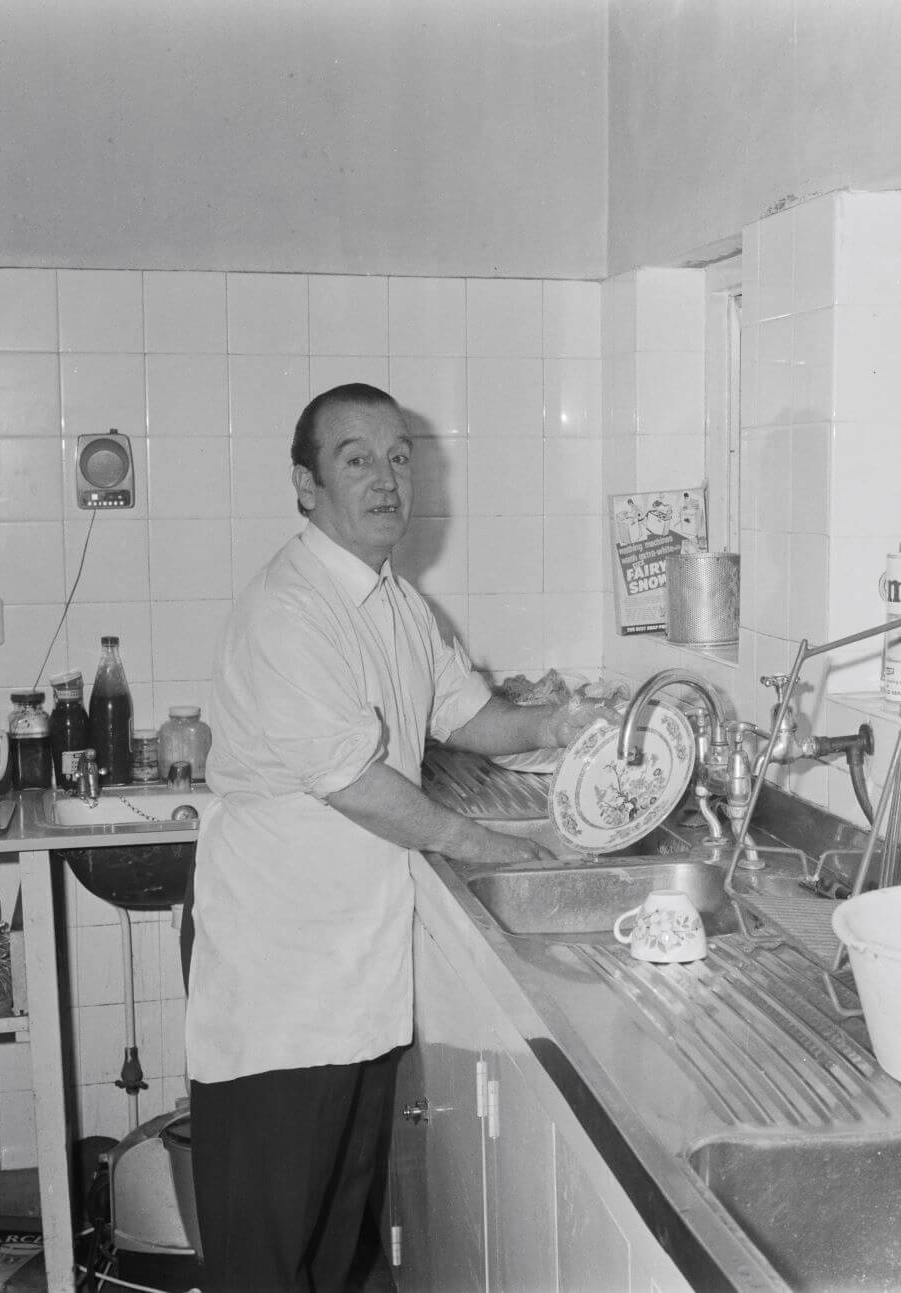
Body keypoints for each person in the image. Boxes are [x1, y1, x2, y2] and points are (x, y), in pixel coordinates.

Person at [185, 383, 608, 1292]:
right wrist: (486, 843)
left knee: (338, 1238)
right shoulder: (289, 609)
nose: (387, 479)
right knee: (266, 1253)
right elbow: (353, 782)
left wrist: (557, 725)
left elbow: (467, 714)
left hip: (356, 969)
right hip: (282, 976)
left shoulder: (398, 602)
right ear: (306, 485)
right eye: (357, 457)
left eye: (400, 456)